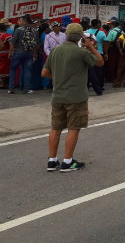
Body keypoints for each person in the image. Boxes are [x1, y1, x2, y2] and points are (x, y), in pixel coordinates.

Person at [41, 23, 104, 172]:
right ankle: (67, 161)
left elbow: (44, 73)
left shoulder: (56, 50)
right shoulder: (80, 52)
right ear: (81, 36)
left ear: (67, 34)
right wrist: (91, 46)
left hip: (57, 96)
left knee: (55, 128)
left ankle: (52, 160)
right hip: (76, 97)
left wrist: (58, 78)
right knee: (74, 128)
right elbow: (100, 62)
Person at [8, 14, 38, 94]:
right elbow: (35, 44)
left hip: (18, 52)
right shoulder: (34, 30)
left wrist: (10, 52)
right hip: (29, 53)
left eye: (20, 20)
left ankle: (11, 88)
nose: (18, 22)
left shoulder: (18, 30)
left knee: (13, 69)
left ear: (25, 21)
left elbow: (13, 43)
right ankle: (26, 88)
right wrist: (35, 53)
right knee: (27, 71)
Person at [86, 19, 107, 92]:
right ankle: (100, 86)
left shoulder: (86, 32)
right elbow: (105, 44)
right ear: (97, 24)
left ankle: (86, 86)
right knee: (99, 71)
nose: (100, 25)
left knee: (88, 70)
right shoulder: (102, 33)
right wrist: (106, 53)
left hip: (89, 53)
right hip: (99, 53)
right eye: (100, 23)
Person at [0, 22, 11, 88]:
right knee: (5, 68)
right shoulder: (7, 35)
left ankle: (1, 83)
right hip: (5, 54)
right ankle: (3, 84)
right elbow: (11, 45)